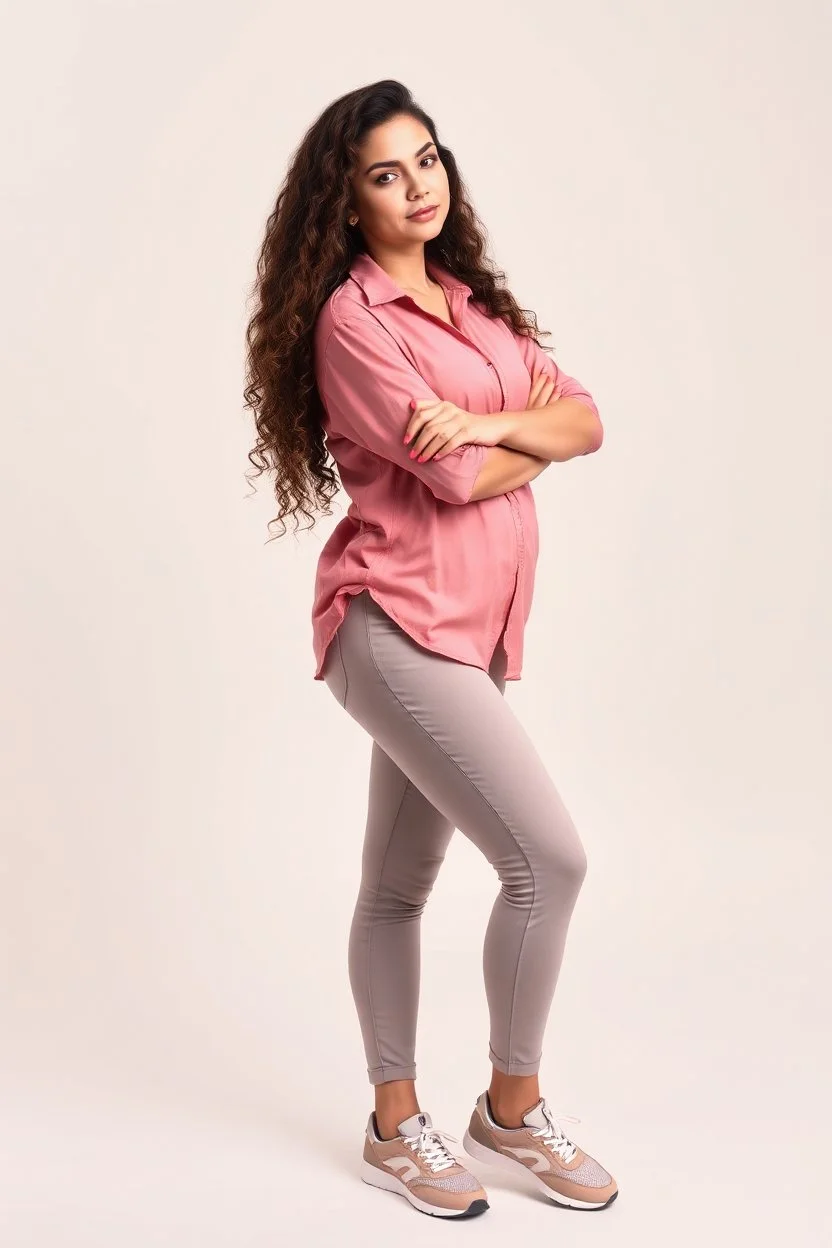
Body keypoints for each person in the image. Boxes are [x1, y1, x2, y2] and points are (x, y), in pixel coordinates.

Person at [243, 78, 617, 1220]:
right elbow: (449, 477)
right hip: (393, 624)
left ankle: (390, 1125)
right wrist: (522, 441)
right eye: (384, 173)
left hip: (467, 632)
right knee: (547, 862)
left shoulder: (471, 308)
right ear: (344, 203)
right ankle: (506, 1109)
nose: (417, 186)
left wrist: (504, 425)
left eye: (427, 159)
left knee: (397, 887)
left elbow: (585, 418)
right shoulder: (352, 323)